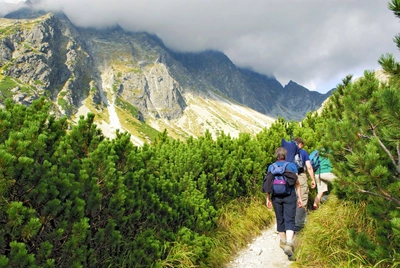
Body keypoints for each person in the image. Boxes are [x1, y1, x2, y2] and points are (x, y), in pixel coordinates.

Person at [264, 147, 302, 261]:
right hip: (289, 195)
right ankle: (289, 244)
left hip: (276, 197)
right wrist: (300, 197)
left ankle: (283, 242)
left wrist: (268, 198)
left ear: (276, 156)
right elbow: (297, 183)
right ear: (285, 155)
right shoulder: (291, 166)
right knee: (290, 219)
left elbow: (268, 184)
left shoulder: (271, 167)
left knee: (280, 219)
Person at [293, 137, 316, 232]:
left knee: (291, 198)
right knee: (303, 197)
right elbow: (309, 167)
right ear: (300, 144)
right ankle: (299, 224)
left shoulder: (287, 151)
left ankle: (287, 222)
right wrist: (313, 179)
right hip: (300, 176)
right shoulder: (303, 152)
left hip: (288, 176)